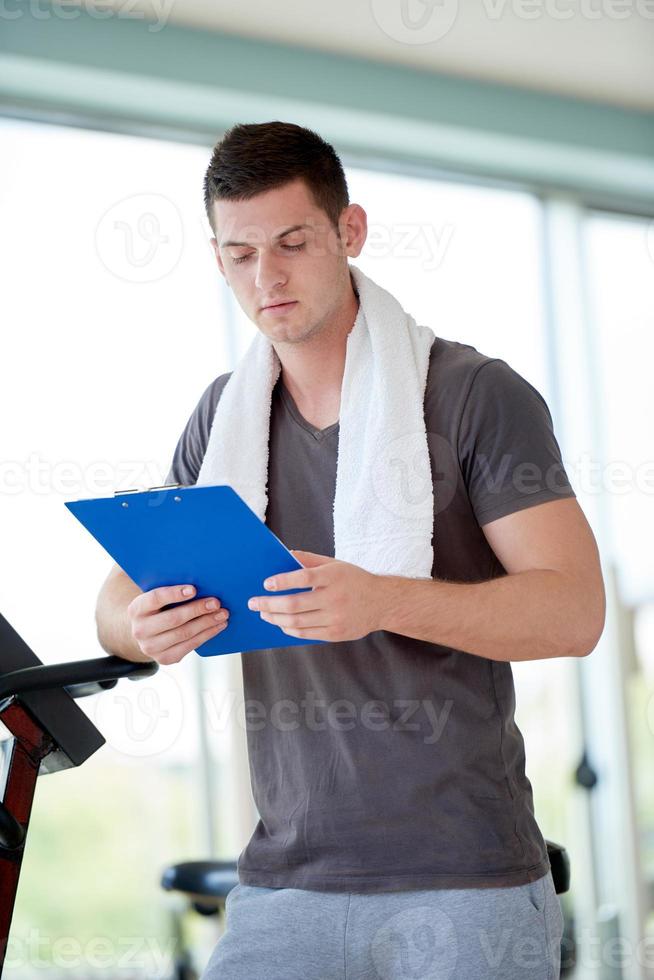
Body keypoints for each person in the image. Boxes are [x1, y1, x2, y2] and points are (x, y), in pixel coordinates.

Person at [95, 121, 606, 980]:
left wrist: (386, 599)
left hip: (465, 881)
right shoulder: (223, 418)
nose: (269, 276)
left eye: (294, 243)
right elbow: (113, 605)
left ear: (350, 232)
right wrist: (142, 626)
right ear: (219, 259)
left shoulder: (474, 395)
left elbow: (575, 610)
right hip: (283, 885)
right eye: (241, 253)